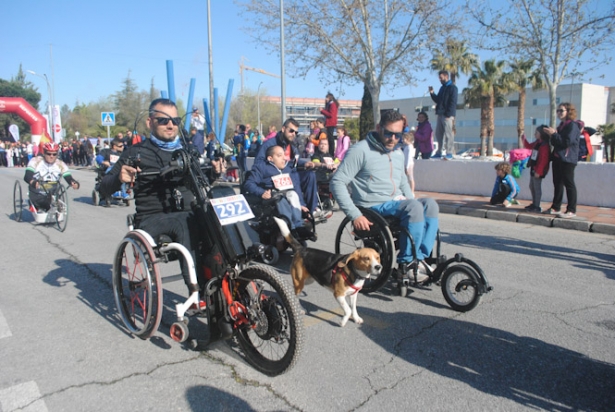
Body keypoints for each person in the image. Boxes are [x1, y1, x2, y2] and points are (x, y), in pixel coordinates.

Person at [100, 98, 206, 300]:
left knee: (219, 213)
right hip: (152, 219)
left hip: (189, 211)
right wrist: (118, 179)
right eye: (163, 120)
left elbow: (203, 182)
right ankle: (198, 294)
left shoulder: (188, 151)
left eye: (175, 121)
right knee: (184, 221)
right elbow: (103, 187)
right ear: (150, 122)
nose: (170, 125)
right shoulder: (135, 153)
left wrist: (215, 173)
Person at [330, 110, 439, 281]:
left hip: (395, 203)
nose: (393, 139)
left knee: (430, 204)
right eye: (388, 133)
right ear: (379, 127)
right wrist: (355, 214)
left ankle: (420, 257)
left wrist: (412, 202)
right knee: (414, 207)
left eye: (398, 135)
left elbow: (402, 181)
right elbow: (337, 182)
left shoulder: (397, 152)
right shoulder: (360, 151)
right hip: (372, 206)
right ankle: (407, 263)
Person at [256, 118, 331, 219]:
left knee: (310, 175)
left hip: (290, 173)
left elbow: (294, 161)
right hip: (276, 176)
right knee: (293, 174)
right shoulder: (269, 144)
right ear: (283, 129)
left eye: (296, 132)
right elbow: (258, 163)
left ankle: (312, 209)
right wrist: (273, 168)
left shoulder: (292, 145)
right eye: (291, 131)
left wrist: (306, 163)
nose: (293, 134)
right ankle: (301, 208)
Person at [244, 145, 308, 232]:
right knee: (280, 198)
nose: (284, 158)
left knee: (293, 194)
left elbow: (296, 187)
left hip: (289, 195)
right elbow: (249, 184)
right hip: (273, 198)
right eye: (279, 156)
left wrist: (301, 204)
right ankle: (291, 227)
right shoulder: (262, 167)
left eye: (284, 155)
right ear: (270, 158)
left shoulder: (288, 169)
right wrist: (262, 192)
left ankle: (299, 226)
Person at [543, 102, 580, 218]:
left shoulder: (572, 126)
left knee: (569, 183)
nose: (559, 113)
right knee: (557, 183)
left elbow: (566, 142)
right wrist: (553, 135)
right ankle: (556, 207)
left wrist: (554, 134)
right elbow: (556, 142)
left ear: (568, 112)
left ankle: (571, 210)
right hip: (558, 158)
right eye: (558, 111)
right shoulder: (561, 126)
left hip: (567, 159)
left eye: (561, 111)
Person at [24, 142, 80, 212]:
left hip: (53, 189)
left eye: (54, 154)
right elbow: (27, 176)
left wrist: (74, 183)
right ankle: (35, 204)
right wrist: (32, 182)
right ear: (44, 153)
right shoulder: (35, 161)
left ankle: (52, 204)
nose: (51, 156)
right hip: (38, 189)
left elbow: (68, 177)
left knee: (50, 200)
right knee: (42, 202)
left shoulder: (60, 164)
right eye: (49, 154)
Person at [429, 70, 458, 159]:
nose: (440, 80)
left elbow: (453, 102)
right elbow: (438, 100)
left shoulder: (452, 88)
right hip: (440, 114)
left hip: (447, 115)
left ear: (446, 76)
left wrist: (449, 114)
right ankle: (439, 152)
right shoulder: (442, 88)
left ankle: (449, 152)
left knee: (449, 134)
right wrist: (432, 93)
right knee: (439, 134)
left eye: (441, 78)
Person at [522, 126, 551, 213]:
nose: (535, 134)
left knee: (537, 187)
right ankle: (534, 203)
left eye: (536, 132)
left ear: (541, 134)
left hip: (538, 169)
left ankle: (537, 205)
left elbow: (543, 160)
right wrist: (523, 138)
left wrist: (539, 171)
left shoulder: (544, 146)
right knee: (532, 186)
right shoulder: (537, 143)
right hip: (534, 167)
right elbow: (528, 146)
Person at [320, 92, 339, 156]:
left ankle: (331, 152)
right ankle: (330, 151)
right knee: (329, 138)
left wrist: (322, 111)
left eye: (327, 97)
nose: (326, 99)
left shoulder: (332, 104)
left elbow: (331, 114)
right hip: (329, 123)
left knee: (330, 138)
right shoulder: (330, 104)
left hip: (331, 123)